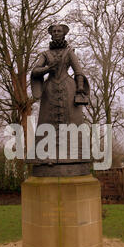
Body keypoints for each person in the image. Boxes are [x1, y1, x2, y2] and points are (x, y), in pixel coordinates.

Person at [29, 24, 91, 177]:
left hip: (68, 90)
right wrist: (47, 69)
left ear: (63, 34)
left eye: (59, 31)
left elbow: (79, 71)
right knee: (46, 123)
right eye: (54, 31)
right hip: (49, 90)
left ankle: (75, 157)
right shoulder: (45, 54)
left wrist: (80, 88)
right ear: (51, 35)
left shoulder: (69, 52)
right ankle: (44, 157)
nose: (56, 33)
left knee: (72, 124)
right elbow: (35, 70)